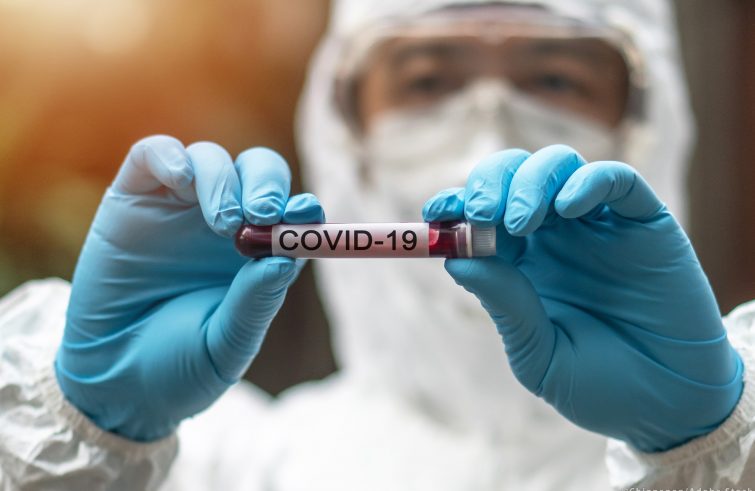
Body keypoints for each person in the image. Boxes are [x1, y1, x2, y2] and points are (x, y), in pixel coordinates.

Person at [1, 0, 754, 489]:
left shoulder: (725, 421)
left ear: (649, 127)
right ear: (341, 133)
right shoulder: (230, 468)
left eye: (555, 79)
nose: (488, 131)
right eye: (427, 82)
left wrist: (704, 450)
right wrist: (91, 429)